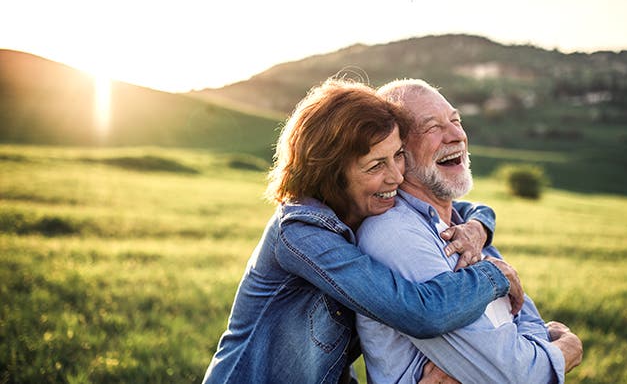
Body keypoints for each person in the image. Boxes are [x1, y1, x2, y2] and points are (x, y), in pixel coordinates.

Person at [201, 78, 524, 384]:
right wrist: (494, 275)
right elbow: (421, 313)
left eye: (397, 155)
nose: (396, 177)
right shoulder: (300, 233)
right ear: (331, 173)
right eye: (375, 166)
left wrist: (477, 227)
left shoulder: (365, 204)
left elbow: (461, 208)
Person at [356, 79, 583, 383]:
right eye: (432, 127)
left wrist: (529, 344)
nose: (457, 135)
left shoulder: (465, 229)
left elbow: (519, 313)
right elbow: (514, 376)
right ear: (398, 152)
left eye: (456, 120)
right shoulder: (395, 235)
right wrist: (566, 348)